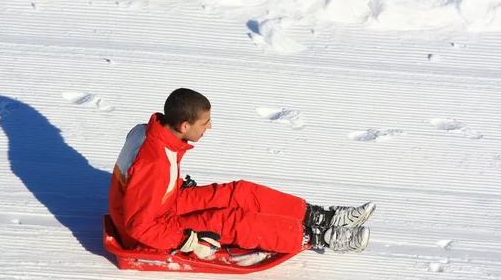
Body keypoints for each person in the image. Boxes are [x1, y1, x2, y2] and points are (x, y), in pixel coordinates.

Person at [108, 88, 375, 257]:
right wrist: (187, 240)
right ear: (185, 125)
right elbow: (139, 225)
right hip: (146, 233)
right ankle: (319, 236)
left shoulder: (148, 131)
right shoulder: (155, 162)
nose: (209, 127)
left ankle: (321, 215)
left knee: (239, 192)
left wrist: (173, 185)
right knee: (228, 221)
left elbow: (141, 182)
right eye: (205, 122)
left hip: (162, 205)